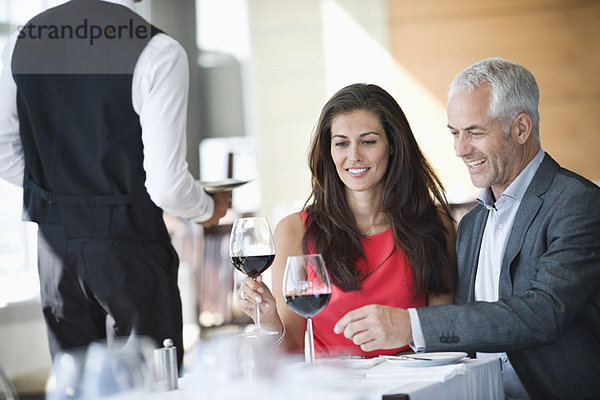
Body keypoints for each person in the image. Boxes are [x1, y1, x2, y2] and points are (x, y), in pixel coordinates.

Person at [337, 58, 600, 399]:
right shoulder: (473, 224)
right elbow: (468, 331)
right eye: (455, 133)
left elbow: (543, 313)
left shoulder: (576, 203)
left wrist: (411, 325)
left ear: (521, 128)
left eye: (475, 132)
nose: (461, 149)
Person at [0, 0, 230, 368]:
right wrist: (206, 208)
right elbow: (167, 185)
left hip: (54, 254)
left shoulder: (21, 41)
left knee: (76, 388)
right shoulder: (158, 51)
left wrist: (62, 194)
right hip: (129, 248)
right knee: (154, 387)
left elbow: (3, 149)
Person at [238, 83, 457, 357]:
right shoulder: (294, 230)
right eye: (341, 143)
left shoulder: (434, 225)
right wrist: (269, 319)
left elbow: (444, 336)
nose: (353, 156)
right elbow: (290, 348)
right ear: (329, 151)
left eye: (368, 141)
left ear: (392, 146)